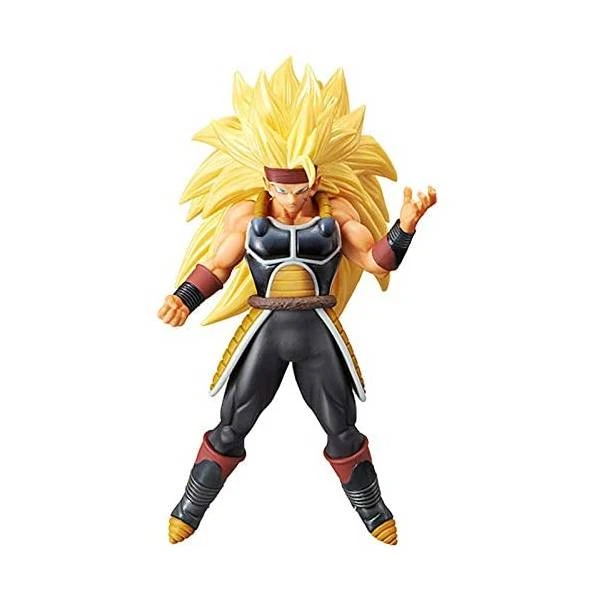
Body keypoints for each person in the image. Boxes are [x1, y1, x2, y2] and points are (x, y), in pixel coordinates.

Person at [157, 59, 436, 545]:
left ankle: (373, 510)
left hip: (317, 334)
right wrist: (185, 297)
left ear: (315, 179)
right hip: (264, 332)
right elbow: (218, 267)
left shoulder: (336, 213)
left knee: (343, 429)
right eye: (281, 187)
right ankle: (190, 507)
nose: (290, 198)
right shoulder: (247, 217)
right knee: (230, 427)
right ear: (266, 180)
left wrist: (405, 227)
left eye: (299, 187)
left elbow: (376, 261)